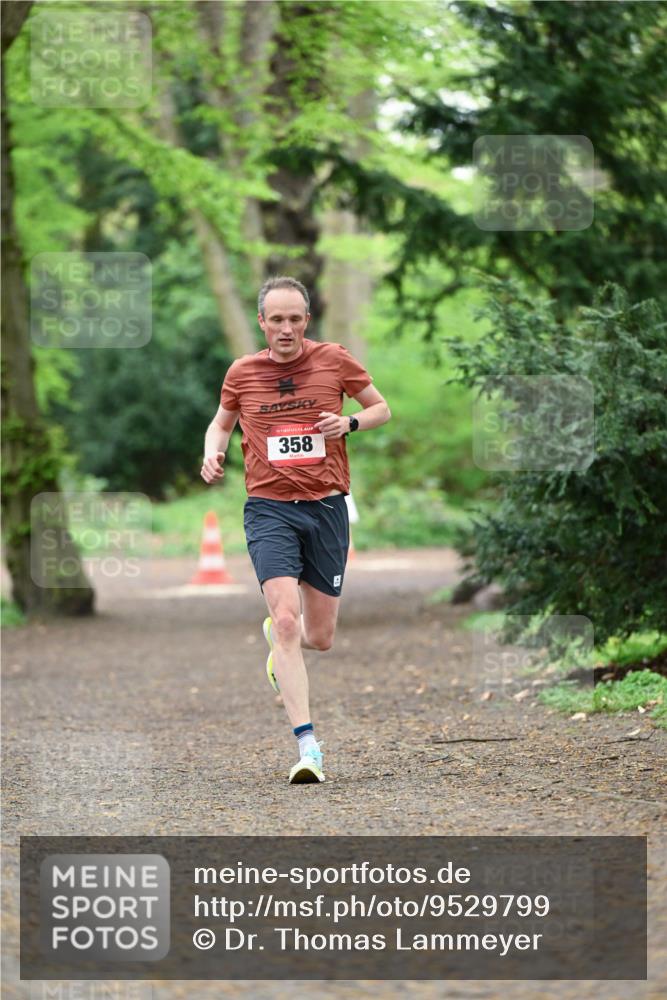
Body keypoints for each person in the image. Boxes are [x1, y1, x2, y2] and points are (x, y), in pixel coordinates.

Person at [201, 276, 391, 784]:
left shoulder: (334, 359)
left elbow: (381, 408)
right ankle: (309, 747)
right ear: (262, 322)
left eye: (295, 318)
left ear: (307, 320)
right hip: (269, 509)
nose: (286, 328)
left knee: (320, 637)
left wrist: (348, 424)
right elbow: (221, 422)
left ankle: (279, 640)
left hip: (326, 508)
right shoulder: (242, 372)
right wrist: (212, 451)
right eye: (276, 319)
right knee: (287, 621)